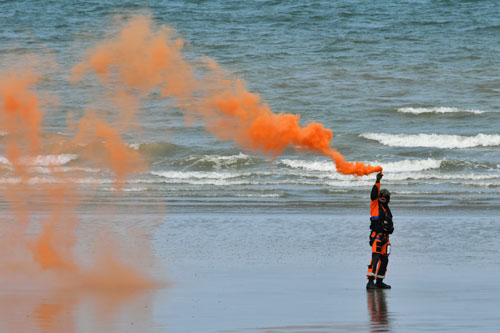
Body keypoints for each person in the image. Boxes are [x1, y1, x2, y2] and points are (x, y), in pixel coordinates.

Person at [366, 172, 393, 289]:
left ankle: (380, 282)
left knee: (385, 260)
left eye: (385, 196)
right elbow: (373, 194)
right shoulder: (374, 205)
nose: (383, 197)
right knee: (375, 258)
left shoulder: (387, 210)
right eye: (381, 195)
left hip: (386, 239)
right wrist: (377, 181)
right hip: (376, 236)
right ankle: (370, 282)